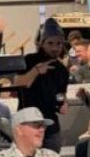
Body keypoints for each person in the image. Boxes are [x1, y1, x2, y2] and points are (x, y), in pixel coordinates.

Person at [13, 19, 71, 150]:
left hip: (50, 127)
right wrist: (37, 71)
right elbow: (17, 84)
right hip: (27, 123)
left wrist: (64, 105)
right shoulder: (28, 60)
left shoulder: (62, 70)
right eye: (50, 43)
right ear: (42, 43)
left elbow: (62, 95)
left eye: (58, 43)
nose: (55, 48)